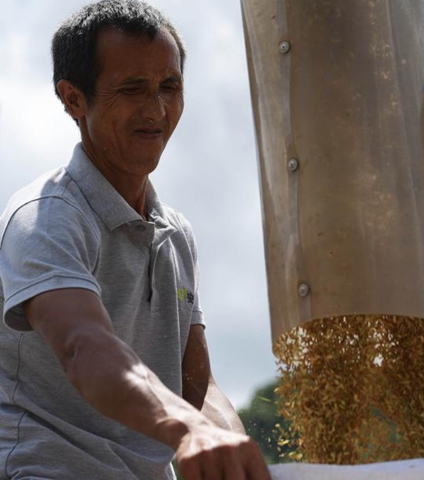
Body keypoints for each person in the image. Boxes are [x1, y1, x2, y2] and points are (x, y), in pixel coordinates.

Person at [0, 1, 270, 479]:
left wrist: (229, 441)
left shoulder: (175, 234)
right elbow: (84, 346)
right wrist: (189, 430)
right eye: (132, 89)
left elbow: (196, 388)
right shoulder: (45, 218)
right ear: (73, 98)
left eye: (170, 87)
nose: (157, 110)